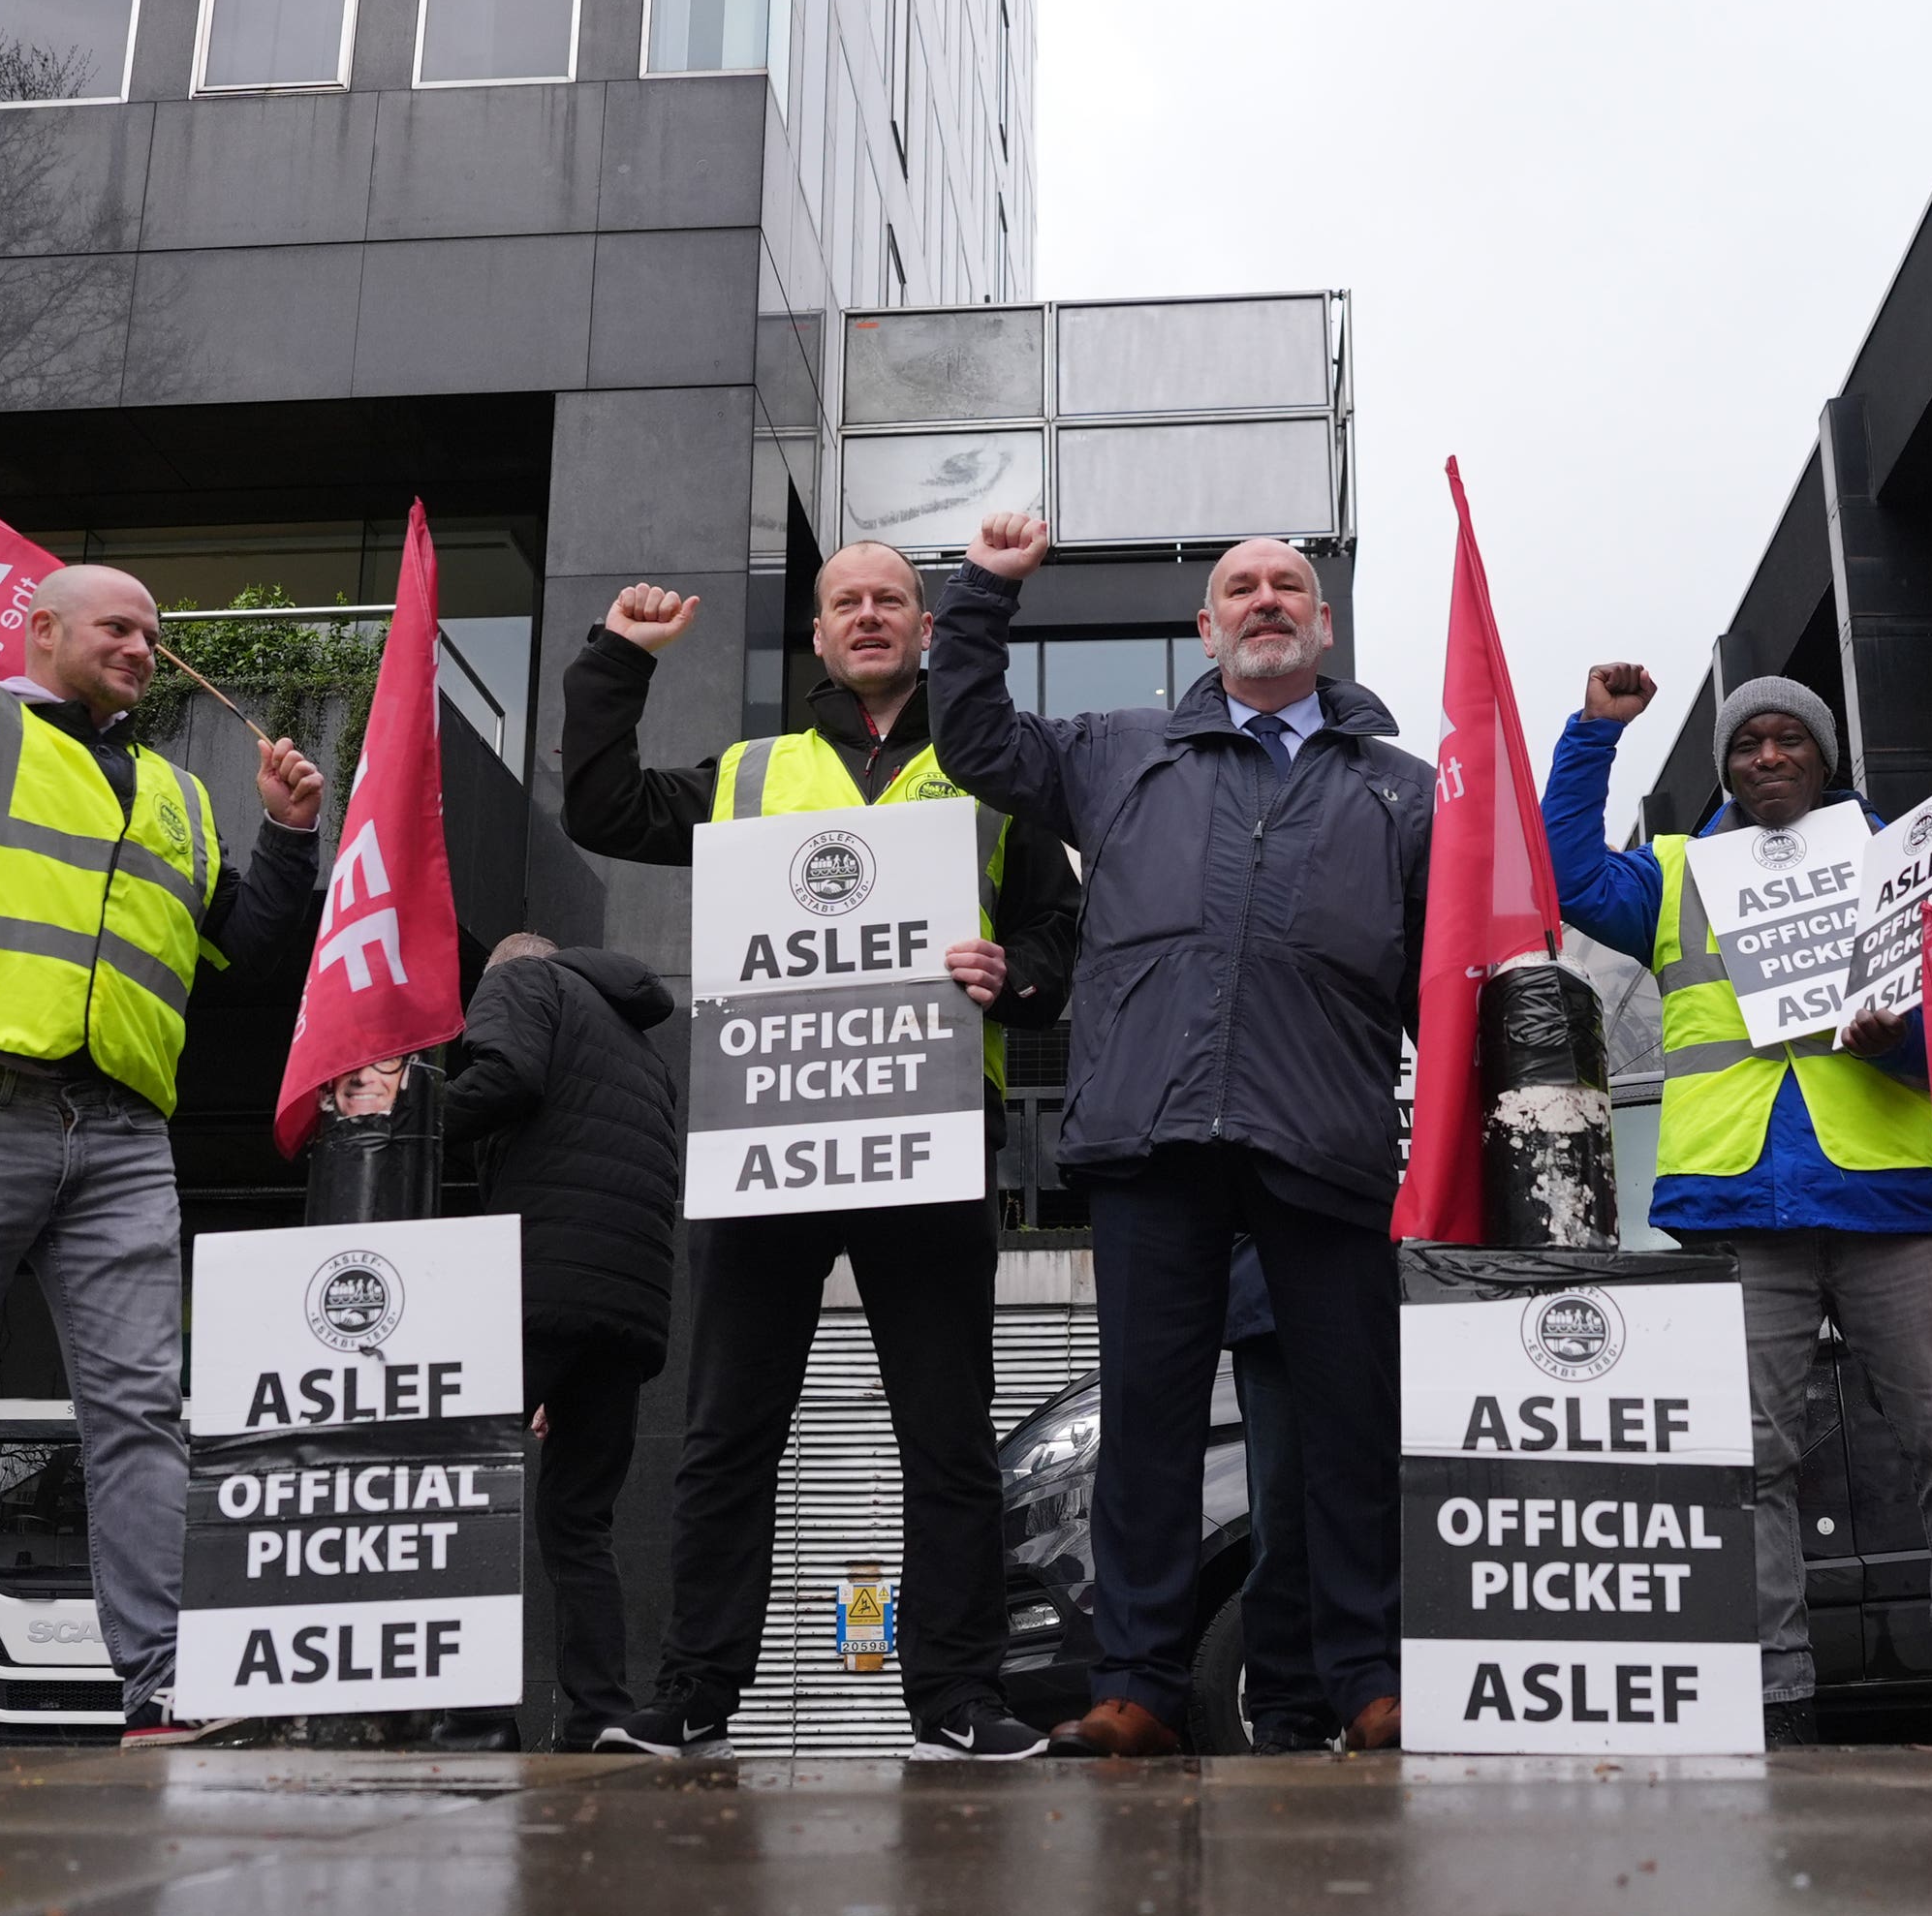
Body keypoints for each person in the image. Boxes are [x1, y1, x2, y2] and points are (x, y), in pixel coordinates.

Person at [0, 311, 326, 1746]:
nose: (143, 645)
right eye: (119, 624)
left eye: (155, 634)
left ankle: (163, 1687)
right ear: (37, 628)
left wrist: (287, 838)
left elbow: (250, 952)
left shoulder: (172, 797)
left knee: (142, 1419)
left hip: (118, 1138)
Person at [558, 541, 1077, 1763]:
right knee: (731, 1426)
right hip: (769, 1140)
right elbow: (599, 805)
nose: (867, 616)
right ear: (817, 636)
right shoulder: (748, 773)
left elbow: (1059, 940)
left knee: (944, 1432)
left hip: (932, 1134)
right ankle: (693, 1696)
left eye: (888, 598)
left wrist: (1017, 979)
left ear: (925, 626)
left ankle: (954, 1693)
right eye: (844, 601)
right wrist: (615, 660)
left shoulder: (992, 770)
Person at [928, 514, 1430, 1757]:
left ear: (1322, 625)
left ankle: (1367, 1675)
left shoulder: (1404, 790)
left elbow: (1444, 975)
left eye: (1288, 587)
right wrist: (986, 587)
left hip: (1324, 1137)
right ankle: (1139, 1685)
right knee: (1148, 1421)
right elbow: (973, 734)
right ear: (1203, 628)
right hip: (1150, 1132)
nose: (1265, 601)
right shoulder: (1117, 749)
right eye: (1239, 588)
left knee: (1346, 1424)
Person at [1544, 667, 1932, 1748]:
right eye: (1747, 744)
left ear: (1824, 759)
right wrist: (1594, 732)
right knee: (1745, 1462)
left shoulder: (1906, 866)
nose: (1768, 756)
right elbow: (1566, 873)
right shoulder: (1676, 871)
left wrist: (1903, 1036)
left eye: (1790, 740)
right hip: (1740, 1199)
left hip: (1887, 1197)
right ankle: (1778, 1698)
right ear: (1724, 766)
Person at [442, 932, 683, 1751]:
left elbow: (506, 1078)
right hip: (626, 1308)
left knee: (458, 1483)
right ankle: (601, 1714)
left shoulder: (522, 982)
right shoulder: (643, 1050)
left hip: (538, 1285)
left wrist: (407, 1110)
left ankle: (468, 1712)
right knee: (580, 1521)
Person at [1225, 1238, 1335, 1753]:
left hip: (1421, 1282)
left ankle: (1299, 1711)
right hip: (1271, 1292)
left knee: (1422, 1509)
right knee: (1281, 1520)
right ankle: (1288, 1713)